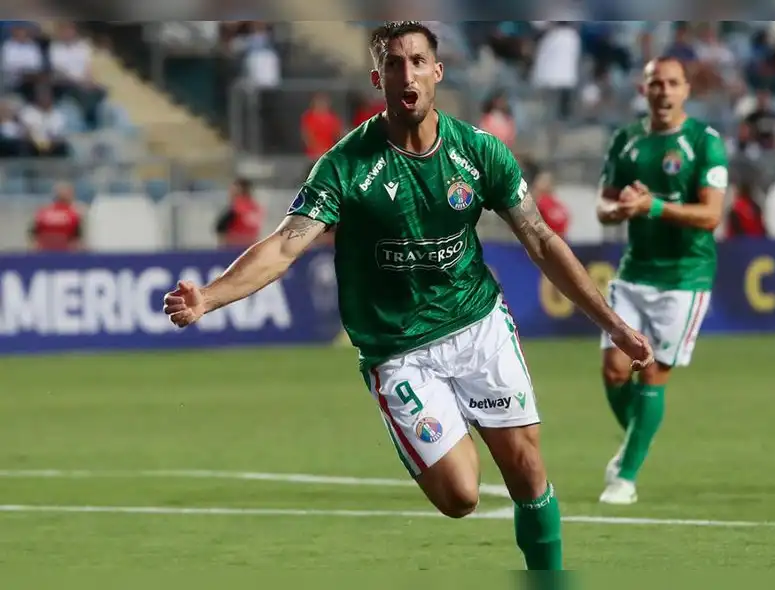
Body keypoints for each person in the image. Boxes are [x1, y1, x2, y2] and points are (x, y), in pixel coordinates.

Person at [162, 21, 653, 571]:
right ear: (379, 79)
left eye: (418, 61)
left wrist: (612, 323)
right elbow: (284, 245)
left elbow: (540, 238)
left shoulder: (479, 152)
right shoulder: (346, 165)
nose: (407, 74)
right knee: (461, 496)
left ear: (437, 72)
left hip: (478, 327)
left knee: (526, 470)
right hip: (398, 350)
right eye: (393, 64)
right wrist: (209, 297)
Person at [594, 57, 728, 505]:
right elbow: (602, 206)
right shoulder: (626, 140)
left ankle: (625, 478)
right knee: (615, 370)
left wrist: (651, 207)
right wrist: (620, 209)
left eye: (672, 83)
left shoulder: (704, 142)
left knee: (650, 371)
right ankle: (636, 442)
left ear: (686, 90)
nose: (664, 91)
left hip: (684, 278)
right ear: (643, 89)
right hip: (635, 272)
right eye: (656, 83)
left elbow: (711, 215)